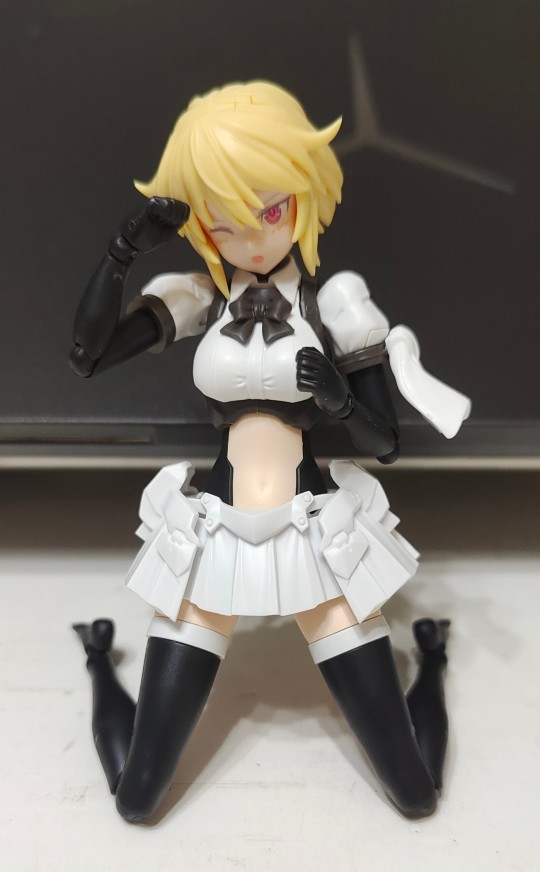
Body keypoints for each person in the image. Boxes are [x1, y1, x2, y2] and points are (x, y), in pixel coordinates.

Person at [71, 81, 470, 823]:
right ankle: (98, 660)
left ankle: (435, 657)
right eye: (223, 223)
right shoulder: (201, 294)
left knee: (416, 794)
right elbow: (87, 355)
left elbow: (385, 444)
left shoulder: (335, 302)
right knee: (137, 798)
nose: (251, 240)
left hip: (316, 541)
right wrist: (123, 249)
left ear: (304, 193)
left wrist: (340, 402)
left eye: (272, 210)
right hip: (214, 540)